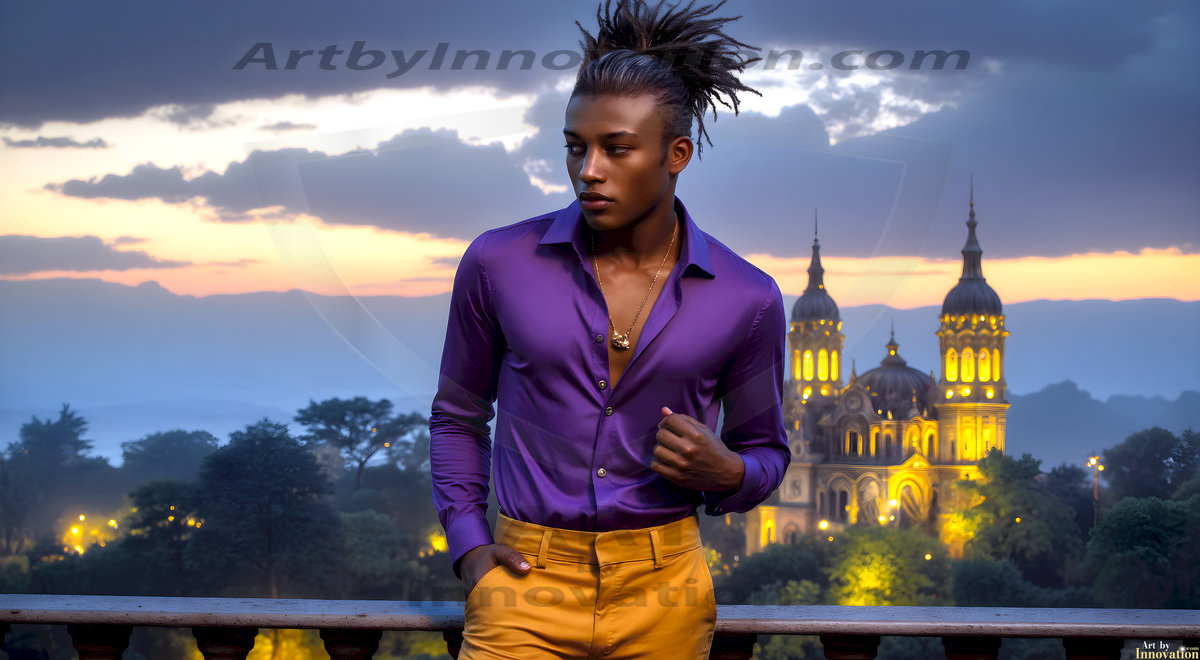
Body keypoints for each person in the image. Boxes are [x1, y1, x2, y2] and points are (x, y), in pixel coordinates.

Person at [428, 1, 790, 657]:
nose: (588, 170)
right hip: (523, 584)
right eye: (576, 147)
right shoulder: (497, 263)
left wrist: (728, 472)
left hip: (667, 590)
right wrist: (470, 548)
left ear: (676, 154)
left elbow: (768, 452)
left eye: (617, 149)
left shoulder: (748, 298)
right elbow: (457, 416)